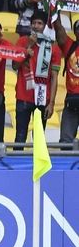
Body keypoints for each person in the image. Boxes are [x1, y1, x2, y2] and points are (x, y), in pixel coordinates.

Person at [13, 11, 60, 149]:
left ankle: (37, 168)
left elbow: (54, 78)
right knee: (20, 136)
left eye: (39, 23)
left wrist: (51, 103)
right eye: (33, 23)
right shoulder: (22, 41)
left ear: (45, 26)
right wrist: (28, 46)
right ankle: (17, 169)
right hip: (23, 97)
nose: (36, 26)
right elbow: (15, 66)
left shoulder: (53, 47)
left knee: (39, 138)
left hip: (42, 99)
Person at [53, 16, 79, 148]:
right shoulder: (70, 46)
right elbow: (58, 29)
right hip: (73, 101)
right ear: (75, 32)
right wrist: (54, 9)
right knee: (65, 143)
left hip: (72, 101)